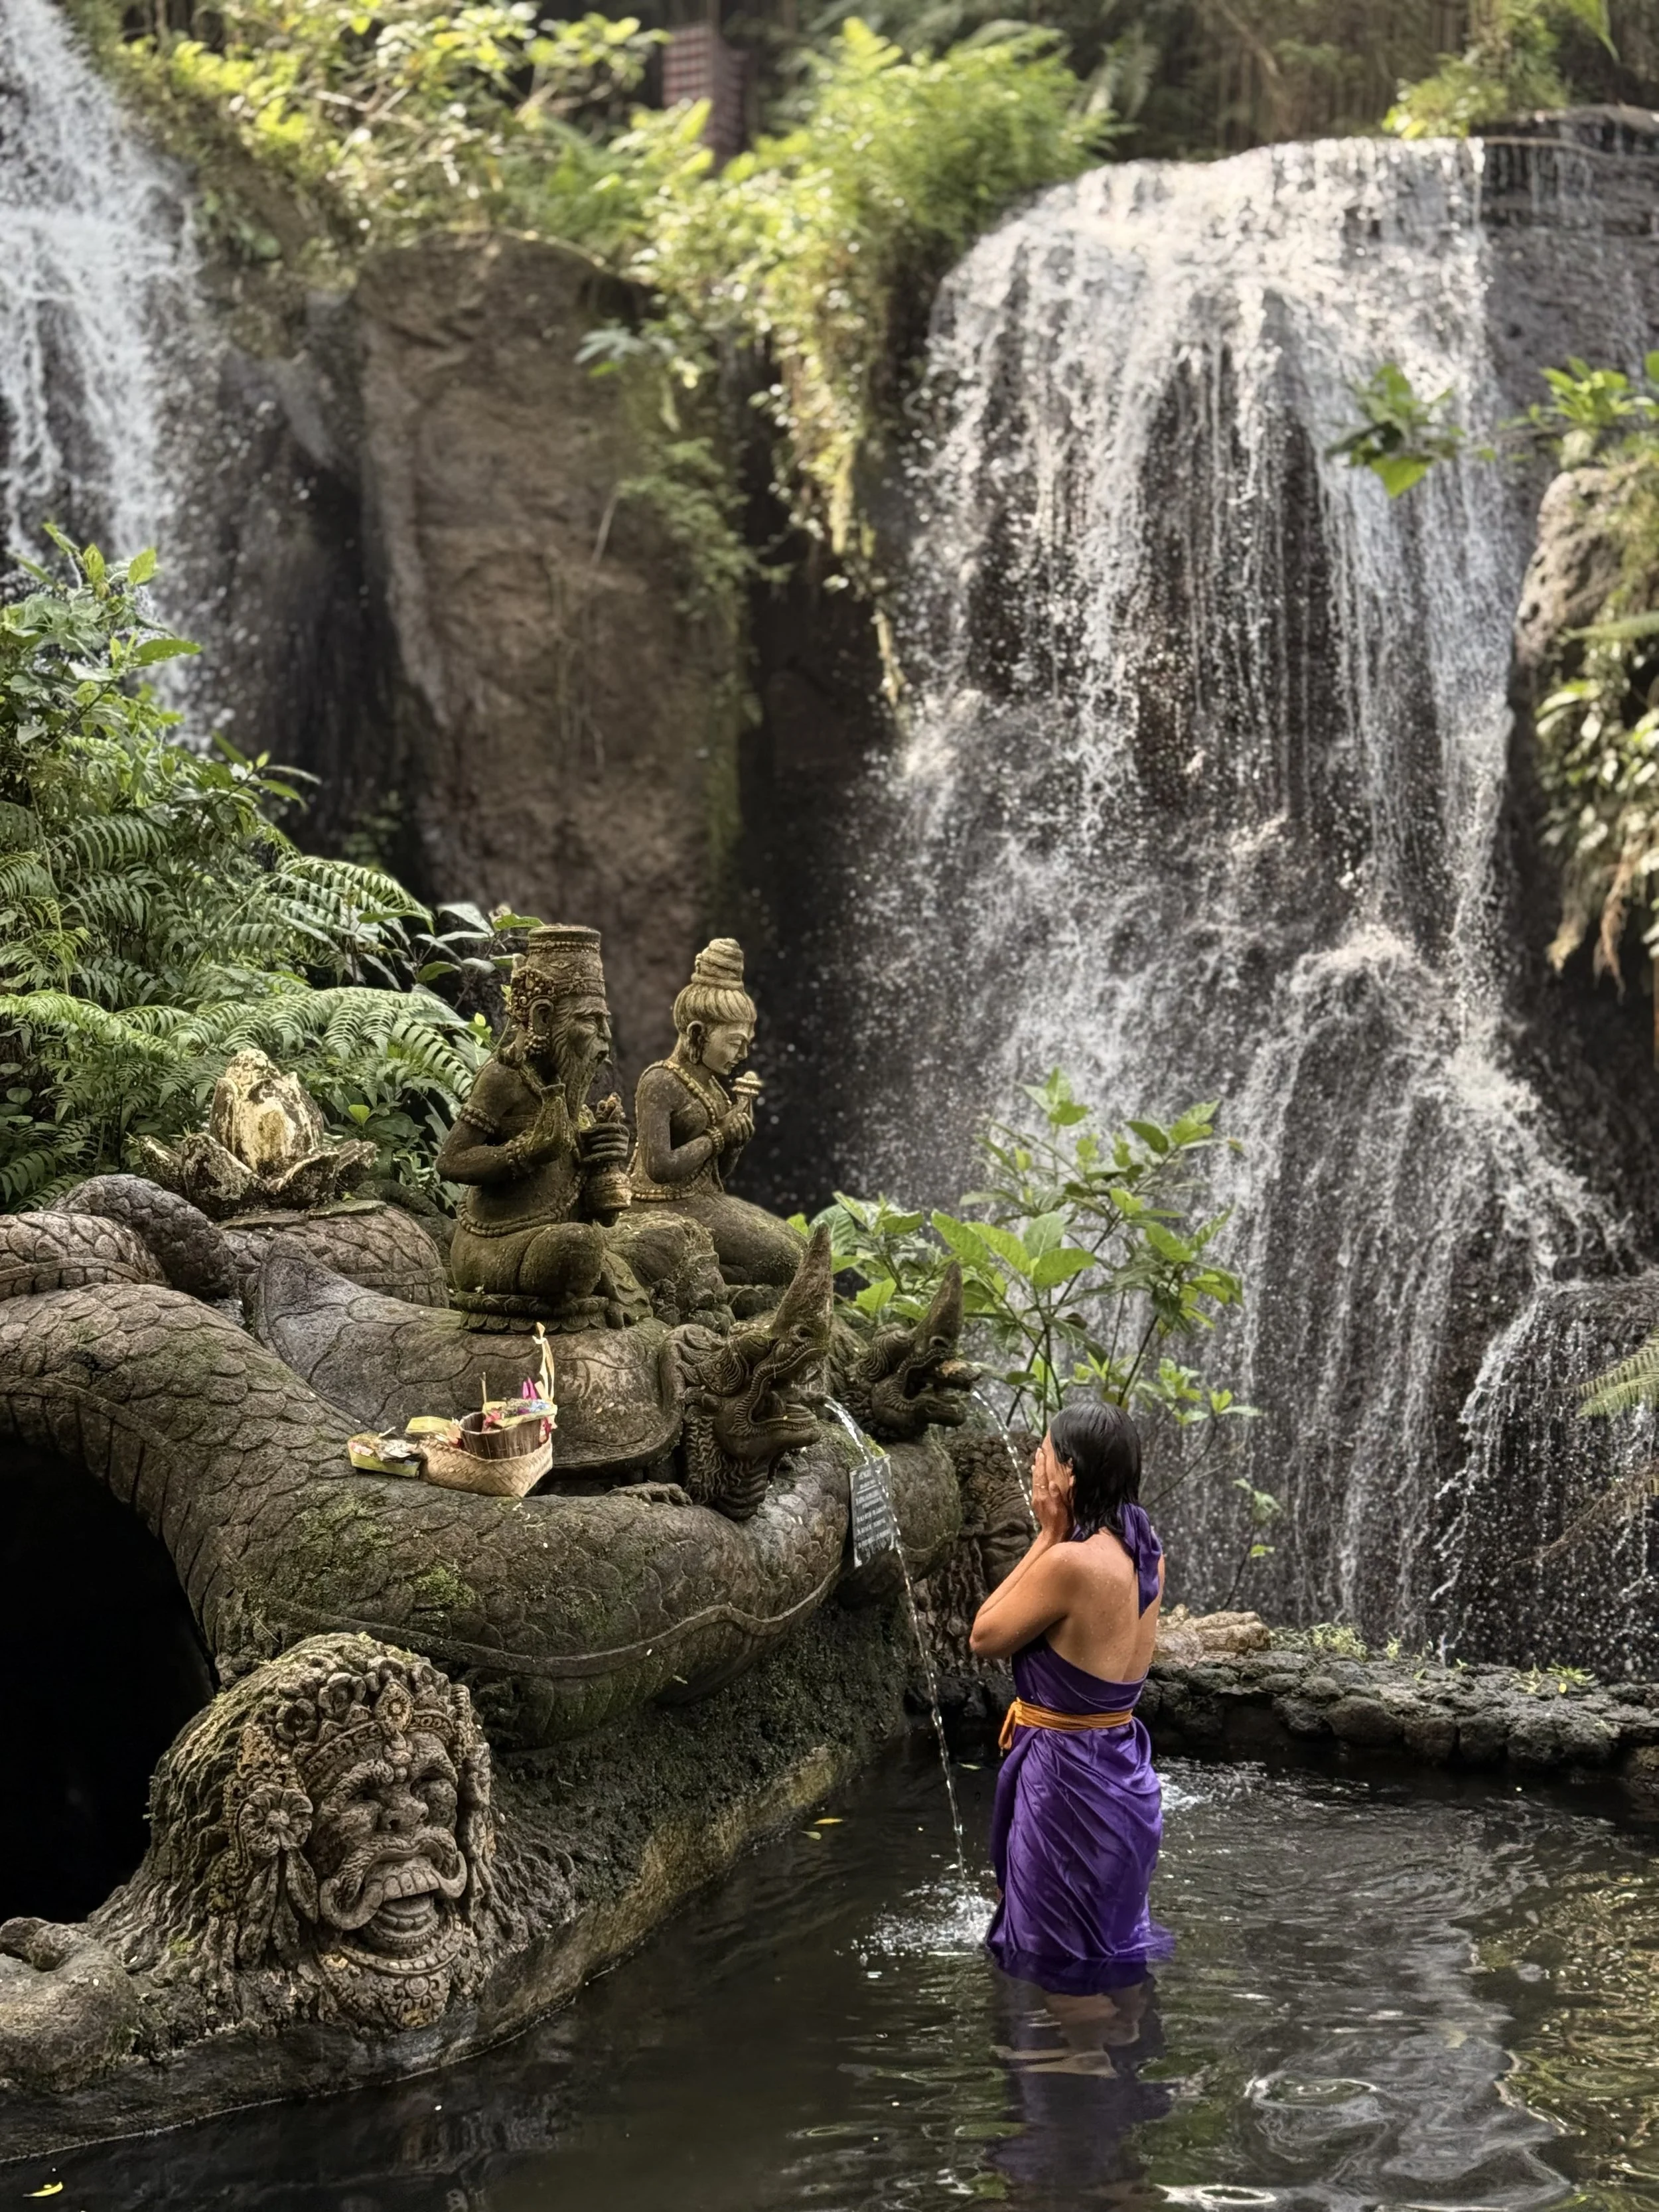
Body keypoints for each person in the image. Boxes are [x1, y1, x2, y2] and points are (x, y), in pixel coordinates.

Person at [970, 1399, 1172, 2002]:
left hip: (1068, 1784)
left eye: (1046, 1456)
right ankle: (1118, 2076)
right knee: (1103, 1953)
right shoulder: (1147, 1551)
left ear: (1071, 1475)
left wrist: (1048, 1534)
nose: (1037, 1466)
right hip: (1124, 1772)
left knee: (1056, 1966)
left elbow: (984, 1633)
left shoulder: (1072, 1562)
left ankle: (1069, 2087)